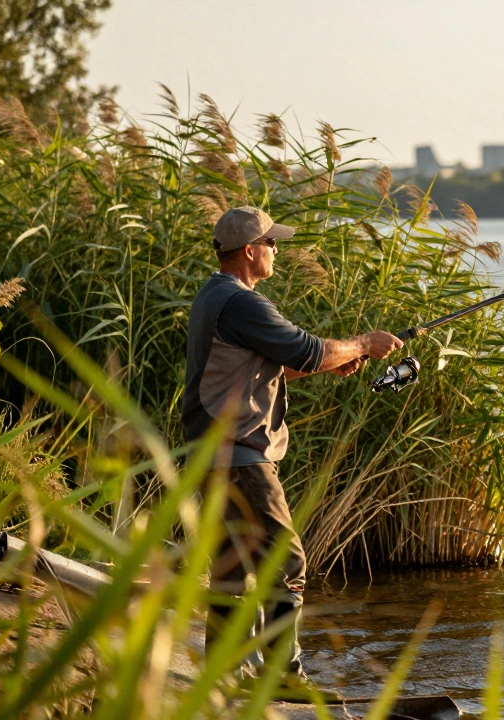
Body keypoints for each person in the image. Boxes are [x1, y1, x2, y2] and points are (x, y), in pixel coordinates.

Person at [181, 206, 402, 678]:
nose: (277, 250)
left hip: (213, 455)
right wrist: (363, 343)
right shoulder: (242, 301)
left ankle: (222, 671)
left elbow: (269, 365)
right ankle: (285, 676)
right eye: (271, 243)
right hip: (241, 456)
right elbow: (305, 347)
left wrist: (328, 363)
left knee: (233, 568)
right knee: (288, 561)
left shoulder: (212, 295)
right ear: (249, 251)